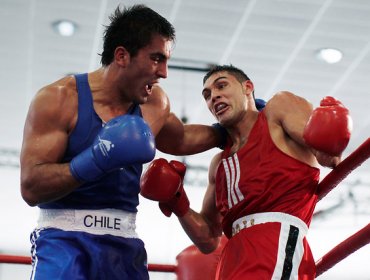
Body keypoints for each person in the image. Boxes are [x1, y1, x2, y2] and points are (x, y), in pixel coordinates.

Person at [20, 5, 224, 280]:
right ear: (122, 56)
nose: (164, 72)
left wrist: (232, 128)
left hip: (124, 248)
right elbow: (31, 187)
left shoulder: (154, 102)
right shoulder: (59, 99)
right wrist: (95, 159)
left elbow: (183, 137)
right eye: (156, 59)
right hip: (63, 242)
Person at [140, 65, 352, 279]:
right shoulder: (219, 164)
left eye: (221, 85)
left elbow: (328, 155)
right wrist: (178, 201)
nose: (214, 96)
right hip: (231, 258)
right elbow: (209, 239)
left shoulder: (278, 110)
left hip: (274, 245)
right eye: (207, 95)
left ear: (248, 87)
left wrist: (331, 131)